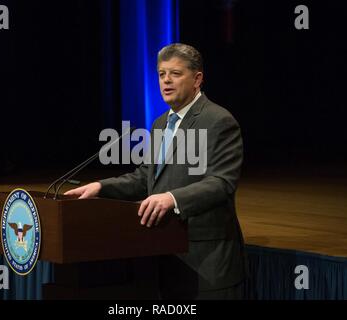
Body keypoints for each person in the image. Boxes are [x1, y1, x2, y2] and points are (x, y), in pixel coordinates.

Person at [65, 43, 247, 299]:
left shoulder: (218, 120)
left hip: (206, 264)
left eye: (175, 73)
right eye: (162, 74)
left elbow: (221, 182)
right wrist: (102, 187)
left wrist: (173, 199)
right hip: (164, 258)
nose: (166, 81)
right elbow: (146, 176)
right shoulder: (161, 123)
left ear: (197, 79)